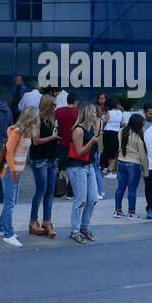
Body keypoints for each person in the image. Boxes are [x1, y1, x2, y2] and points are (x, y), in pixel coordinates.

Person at [0, 106, 38, 246]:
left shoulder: (26, 132)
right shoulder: (18, 132)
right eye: (36, 117)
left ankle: (3, 228)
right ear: (30, 118)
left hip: (16, 171)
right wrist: (14, 170)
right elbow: (9, 152)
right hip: (12, 171)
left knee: (11, 202)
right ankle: (8, 234)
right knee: (10, 203)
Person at [66, 103, 103, 243]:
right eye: (93, 112)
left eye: (96, 113)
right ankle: (74, 231)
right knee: (80, 200)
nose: (96, 115)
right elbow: (79, 151)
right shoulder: (78, 130)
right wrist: (92, 142)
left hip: (88, 166)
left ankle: (85, 227)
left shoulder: (91, 128)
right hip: (77, 167)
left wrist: (95, 136)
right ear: (87, 113)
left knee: (93, 198)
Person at [27, 95, 59, 237]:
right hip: (40, 159)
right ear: (47, 106)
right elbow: (35, 141)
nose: (55, 108)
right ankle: (33, 221)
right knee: (41, 190)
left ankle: (47, 221)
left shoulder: (51, 120)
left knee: (50, 191)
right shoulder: (37, 119)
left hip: (51, 159)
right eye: (53, 106)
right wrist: (52, 137)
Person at [114, 113, 146, 219]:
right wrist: (146, 170)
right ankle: (131, 212)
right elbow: (143, 155)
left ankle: (117, 210)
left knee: (120, 188)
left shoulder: (121, 132)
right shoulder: (138, 136)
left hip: (121, 162)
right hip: (134, 164)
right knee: (132, 190)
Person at [102, 98, 124, 176]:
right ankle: (113, 169)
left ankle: (111, 170)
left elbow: (103, 121)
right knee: (115, 152)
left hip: (108, 133)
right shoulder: (120, 113)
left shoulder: (109, 113)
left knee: (109, 152)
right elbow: (121, 123)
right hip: (117, 133)